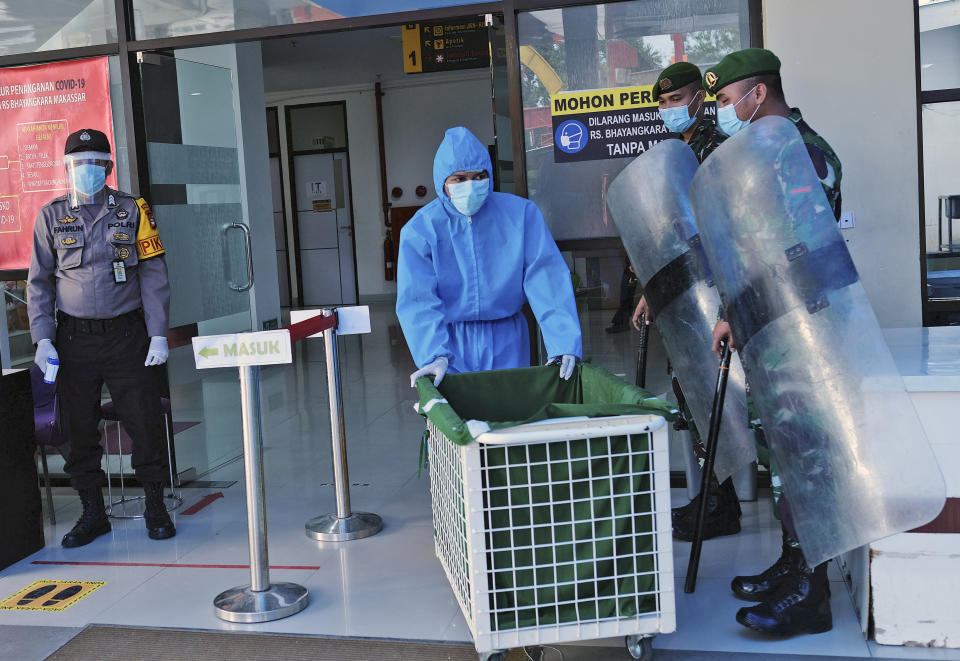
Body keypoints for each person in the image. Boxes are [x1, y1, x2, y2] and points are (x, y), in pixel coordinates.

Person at [704, 48, 843, 636]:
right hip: (771, 331)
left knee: (810, 458)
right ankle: (795, 562)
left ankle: (812, 594)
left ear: (758, 94)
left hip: (804, 333)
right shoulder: (762, 153)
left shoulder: (803, 153)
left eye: (728, 100)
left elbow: (799, 253)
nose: (723, 112)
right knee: (787, 460)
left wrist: (744, 307)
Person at [27, 128, 176, 547]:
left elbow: (153, 274)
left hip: (128, 335)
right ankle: (93, 512)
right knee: (78, 428)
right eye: (78, 164)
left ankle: (154, 504)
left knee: (143, 420)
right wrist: (42, 338)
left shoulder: (134, 210)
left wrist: (158, 334)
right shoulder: (51, 215)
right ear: (67, 168)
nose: (86, 171)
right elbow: (38, 283)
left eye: (95, 163)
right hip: (73, 339)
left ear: (108, 167)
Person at [630, 62, 742, 542]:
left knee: (722, 396)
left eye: (676, 100)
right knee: (690, 392)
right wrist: (651, 290)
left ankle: (725, 501)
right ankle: (716, 495)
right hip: (686, 293)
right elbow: (671, 234)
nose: (668, 110)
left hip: (719, 293)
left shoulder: (721, 150)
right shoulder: (674, 153)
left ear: (699, 98)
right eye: (663, 102)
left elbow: (726, 231)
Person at [396, 126, 581, 387]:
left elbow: (546, 279)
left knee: (511, 419)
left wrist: (563, 342)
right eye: (459, 179)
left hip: (509, 339)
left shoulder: (521, 215)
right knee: (458, 422)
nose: (469, 186)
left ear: (490, 175)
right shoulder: (421, 229)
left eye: (478, 176)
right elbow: (418, 299)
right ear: (442, 182)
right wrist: (433, 354)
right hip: (450, 346)